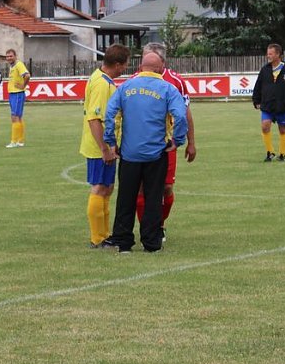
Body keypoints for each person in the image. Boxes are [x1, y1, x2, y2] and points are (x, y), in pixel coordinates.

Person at [102, 52, 188, 253]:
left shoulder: (125, 88)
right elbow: (180, 116)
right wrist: (178, 140)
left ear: (140, 67)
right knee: (153, 197)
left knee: (126, 197)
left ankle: (123, 242)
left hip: (129, 154)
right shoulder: (168, 88)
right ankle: (151, 242)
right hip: (156, 154)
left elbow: (109, 114)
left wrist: (111, 141)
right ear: (160, 68)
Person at [134, 42, 197, 242]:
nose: (145, 63)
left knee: (166, 188)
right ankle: (146, 227)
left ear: (161, 62)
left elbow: (185, 112)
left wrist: (191, 141)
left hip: (167, 144)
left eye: (149, 59)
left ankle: (159, 224)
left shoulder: (175, 81)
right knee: (142, 188)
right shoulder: (134, 79)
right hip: (140, 143)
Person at [79, 43, 130, 249]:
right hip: (98, 147)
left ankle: (105, 234)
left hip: (104, 145)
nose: (125, 68)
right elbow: (94, 119)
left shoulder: (100, 78)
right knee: (100, 187)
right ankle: (97, 238)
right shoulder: (102, 84)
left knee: (107, 188)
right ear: (117, 64)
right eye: (125, 65)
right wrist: (104, 149)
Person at [251, 43, 285, 162]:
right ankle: (270, 152)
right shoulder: (264, 70)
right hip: (267, 105)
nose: (268, 56)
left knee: (283, 129)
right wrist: (256, 101)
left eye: (270, 54)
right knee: (265, 126)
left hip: (283, 106)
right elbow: (258, 86)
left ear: (277, 54)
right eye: (267, 53)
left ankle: (282, 154)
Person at [5, 48, 31, 148]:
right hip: (13, 93)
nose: (9, 58)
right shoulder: (12, 66)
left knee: (14, 117)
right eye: (7, 56)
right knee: (18, 117)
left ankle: (14, 141)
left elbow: (27, 75)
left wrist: (23, 85)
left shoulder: (18, 65)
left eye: (11, 56)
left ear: (15, 56)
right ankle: (20, 141)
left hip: (17, 93)